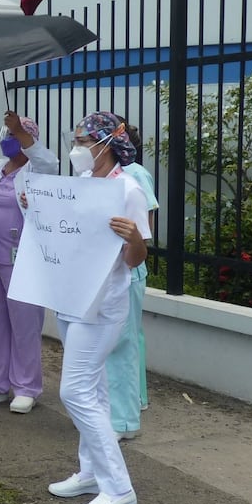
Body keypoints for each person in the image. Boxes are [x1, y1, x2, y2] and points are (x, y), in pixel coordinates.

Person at [44, 111, 150, 504]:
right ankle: (91, 472)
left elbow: (137, 258)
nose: (78, 150)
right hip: (72, 300)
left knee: (75, 392)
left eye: (85, 142)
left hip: (103, 306)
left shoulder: (129, 189)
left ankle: (119, 488)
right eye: (76, 141)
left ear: (107, 144)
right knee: (96, 389)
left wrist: (134, 238)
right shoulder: (83, 186)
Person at [0, 112, 59, 413]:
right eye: (6, 135)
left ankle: (26, 386)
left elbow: (50, 162)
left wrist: (21, 131)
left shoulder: (39, 169)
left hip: (21, 258)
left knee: (24, 324)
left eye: (14, 136)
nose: (7, 141)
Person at [106, 117, 159, 439]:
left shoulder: (135, 176)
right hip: (106, 273)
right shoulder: (94, 177)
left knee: (127, 339)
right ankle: (125, 402)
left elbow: (145, 229)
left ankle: (132, 405)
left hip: (130, 270)